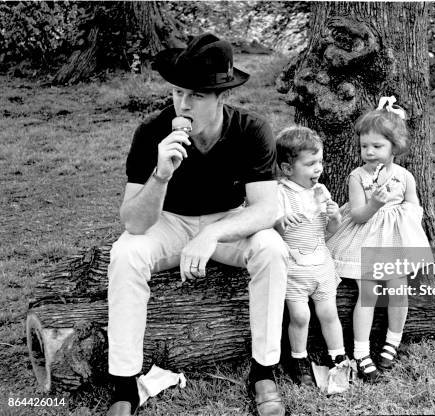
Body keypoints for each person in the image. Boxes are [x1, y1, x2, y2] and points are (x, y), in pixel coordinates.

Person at [106, 33, 288, 416]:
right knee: (125, 253)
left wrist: (212, 233)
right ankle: (124, 387)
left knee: (271, 248)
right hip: (168, 222)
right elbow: (133, 222)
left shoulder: (250, 129)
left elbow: (266, 209)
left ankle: (264, 371)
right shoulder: (152, 132)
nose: (183, 104)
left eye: (197, 95)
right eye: (177, 93)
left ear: (222, 98)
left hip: (225, 221)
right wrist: (160, 175)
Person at [326, 96, 433, 383]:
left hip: (394, 240)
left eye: (377, 146)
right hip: (365, 237)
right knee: (368, 293)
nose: (369, 152)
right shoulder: (356, 177)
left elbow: (414, 209)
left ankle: (392, 342)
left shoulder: (405, 177)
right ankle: (361, 352)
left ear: (394, 147)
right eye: (364, 146)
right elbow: (358, 215)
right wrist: (375, 204)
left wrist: (399, 217)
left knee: (398, 290)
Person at [274, 126, 347, 386]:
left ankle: (338, 357)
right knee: (300, 316)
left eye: (320, 162)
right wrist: (280, 220)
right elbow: (271, 229)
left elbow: (330, 230)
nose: (318, 168)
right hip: (294, 269)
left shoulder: (321, 192)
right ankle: (299, 359)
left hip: (321, 264)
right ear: (287, 168)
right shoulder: (280, 194)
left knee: (329, 313)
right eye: (310, 163)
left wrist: (334, 217)